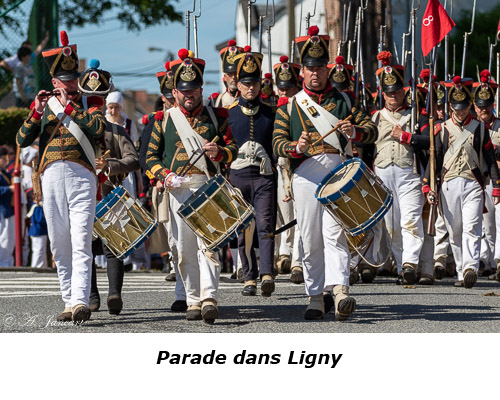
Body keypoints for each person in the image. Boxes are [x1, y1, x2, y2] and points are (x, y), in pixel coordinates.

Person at [272, 26, 377, 321]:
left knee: (335, 234)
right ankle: (315, 296)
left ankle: (341, 289)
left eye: (320, 67)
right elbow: (277, 144)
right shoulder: (289, 107)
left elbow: (372, 130)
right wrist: (297, 146)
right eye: (310, 68)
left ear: (327, 69)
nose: (315, 73)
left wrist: (354, 131)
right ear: (301, 72)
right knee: (309, 236)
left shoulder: (344, 100)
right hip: (305, 174)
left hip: (338, 173)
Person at [16, 31, 106, 322]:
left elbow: (97, 128)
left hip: (82, 175)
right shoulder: (44, 106)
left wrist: (71, 107)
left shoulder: (90, 101)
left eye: (73, 77)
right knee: (58, 242)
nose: (70, 83)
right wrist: (36, 112)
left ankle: (80, 300)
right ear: (54, 82)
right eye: (64, 79)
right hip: (51, 176)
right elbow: (21, 139)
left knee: (81, 239)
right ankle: (68, 299)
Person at [146, 48, 238, 324]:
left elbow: (234, 148)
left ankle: (209, 297)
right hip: (178, 188)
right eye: (184, 91)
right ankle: (193, 299)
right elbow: (150, 157)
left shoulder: (218, 117)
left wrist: (219, 152)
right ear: (174, 92)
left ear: (201, 89)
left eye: (195, 90)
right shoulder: (163, 121)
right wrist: (164, 175)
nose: (190, 96)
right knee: (184, 250)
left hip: (207, 186)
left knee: (209, 245)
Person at [423, 76, 500, 288]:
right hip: (448, 184)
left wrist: (497, 185)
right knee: (454, 230)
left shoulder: (480, 128)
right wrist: (429, 185)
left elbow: (491, 158)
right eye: (457, 108)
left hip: (473, 183)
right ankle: (460, 271)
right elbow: (435, 159)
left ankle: (470, 267)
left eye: (465, 107)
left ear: (470, 106)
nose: (461, 111)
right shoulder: (443, 129)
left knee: (472, 226)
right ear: (450, 107)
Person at [78, 59, 141, 314]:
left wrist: (111, 164)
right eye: (90, 98)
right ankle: (92, 296)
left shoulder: (116, 131)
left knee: (113, 247)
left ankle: (115, 294)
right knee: (86, 249)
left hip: (110, 195)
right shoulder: (77, 131)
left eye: (98, 99)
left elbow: (134, 160)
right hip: (83, 196)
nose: (95, 103)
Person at [371, 51, 429, 285]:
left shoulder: (417, 116)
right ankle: (400, 266)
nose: (393, 96)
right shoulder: (374, 117)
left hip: (409, 173)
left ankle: (410, 263)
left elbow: (430, 142)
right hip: (383, 173)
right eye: (388, 92)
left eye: (396, 91)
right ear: (383, 94)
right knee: (392, 225)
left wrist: (406, 136)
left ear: (403, 91)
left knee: (411, 220)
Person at [227, 46, 277, 297]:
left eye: (254, 82)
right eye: (246, 83)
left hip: (264, 176)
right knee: (243, 227)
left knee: (265, 223)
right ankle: (249, 276)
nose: (250, 88)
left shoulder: (271, 112)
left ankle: (267, 272)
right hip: (237, 178)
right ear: (237, 84)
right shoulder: (228, 114)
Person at [139, 61, 188, 312]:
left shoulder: (194, 116)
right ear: (164, 96)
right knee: (175, 242)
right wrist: (159, 176)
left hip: (192, 184)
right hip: (166, 187)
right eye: (169, 96)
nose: (173, 100)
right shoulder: (157, 120)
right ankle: (181, 291)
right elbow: (145, 156)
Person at [273, 54, 304, 284]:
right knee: (286, 217)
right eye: (281, 90)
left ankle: (296, 261)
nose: (284, 94)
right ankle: (286, 250)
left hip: (300, 166)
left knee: (302, 217)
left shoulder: (303, 109)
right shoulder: (277, 110)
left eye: (289, 89)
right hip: (281, 168)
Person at [471, 70, 500, 281]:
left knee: (495, 223)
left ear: (493, 105)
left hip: (496, 179)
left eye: (487, 105)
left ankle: (495, 262)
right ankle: (484, 260)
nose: (484, 109)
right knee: (481, 222)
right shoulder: (472, 128)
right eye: (480, 106)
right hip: (477, 179)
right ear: (474, 106)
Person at [213, 40, 243, 108]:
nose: (233, 77)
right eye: (230, 74)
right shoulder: (217, 100)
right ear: (225, 77)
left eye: (236, 73)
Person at [0, 146, 15, 267]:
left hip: (8, 209)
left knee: (10, 239)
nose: (6, 161)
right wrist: (9, 188)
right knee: (4, 238)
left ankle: (8, 262)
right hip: (2, 209)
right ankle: (4, 263)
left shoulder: (5, 173)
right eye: (4, 159)